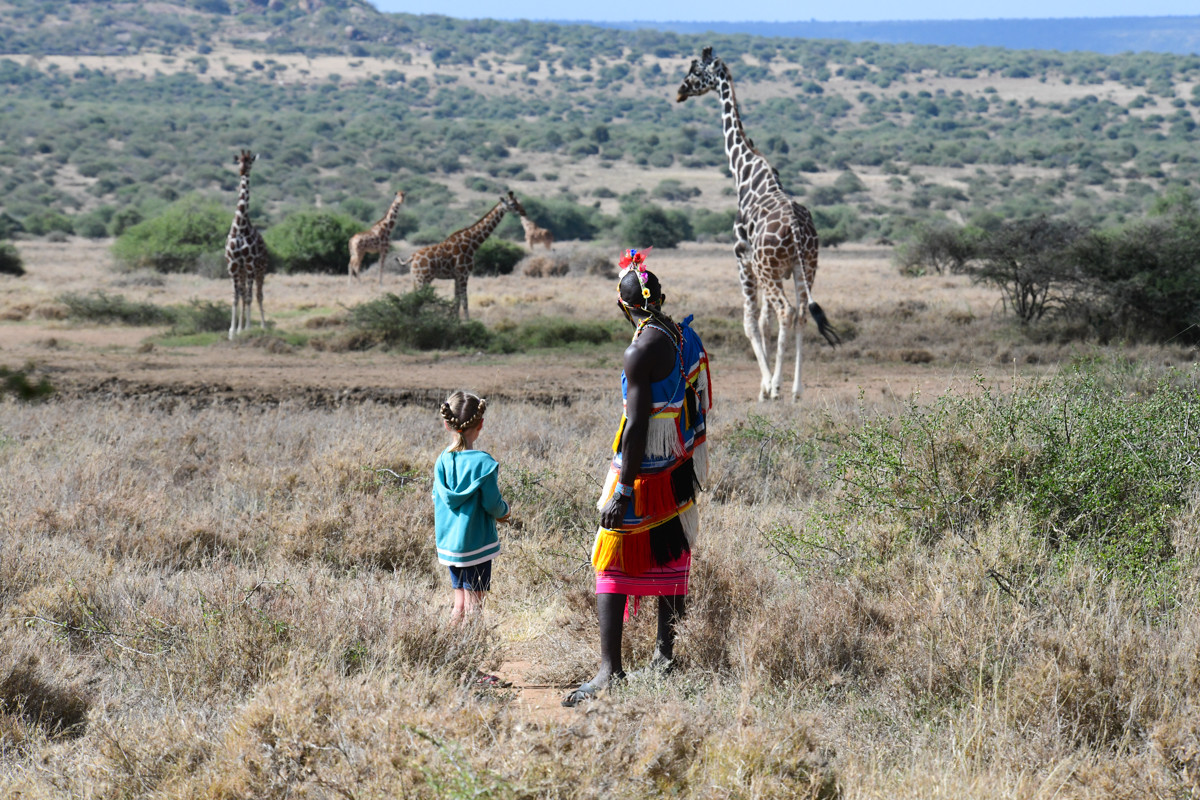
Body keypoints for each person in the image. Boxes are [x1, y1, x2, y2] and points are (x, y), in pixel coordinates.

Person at [563, 248, 712, 707]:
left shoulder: (638, 350)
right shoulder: (685, 336)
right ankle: (664, 658)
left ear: (625, 307)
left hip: (645, 470)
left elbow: (637, 426)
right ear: (660, 298)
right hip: (679, 468)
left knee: (608, 559)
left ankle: (610, 671)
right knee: (669, 555)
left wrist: (623, 490)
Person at [432, 391, 511, 624]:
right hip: (477, 545)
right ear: (481, 424)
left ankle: (450, 649)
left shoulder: (442, 460)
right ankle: (473, 652)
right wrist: (505, 511)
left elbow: (437, 498)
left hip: (450, 546)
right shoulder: (483, 463)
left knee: (459, 604)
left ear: (447, 425)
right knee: (476, 605)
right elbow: (492, 504)